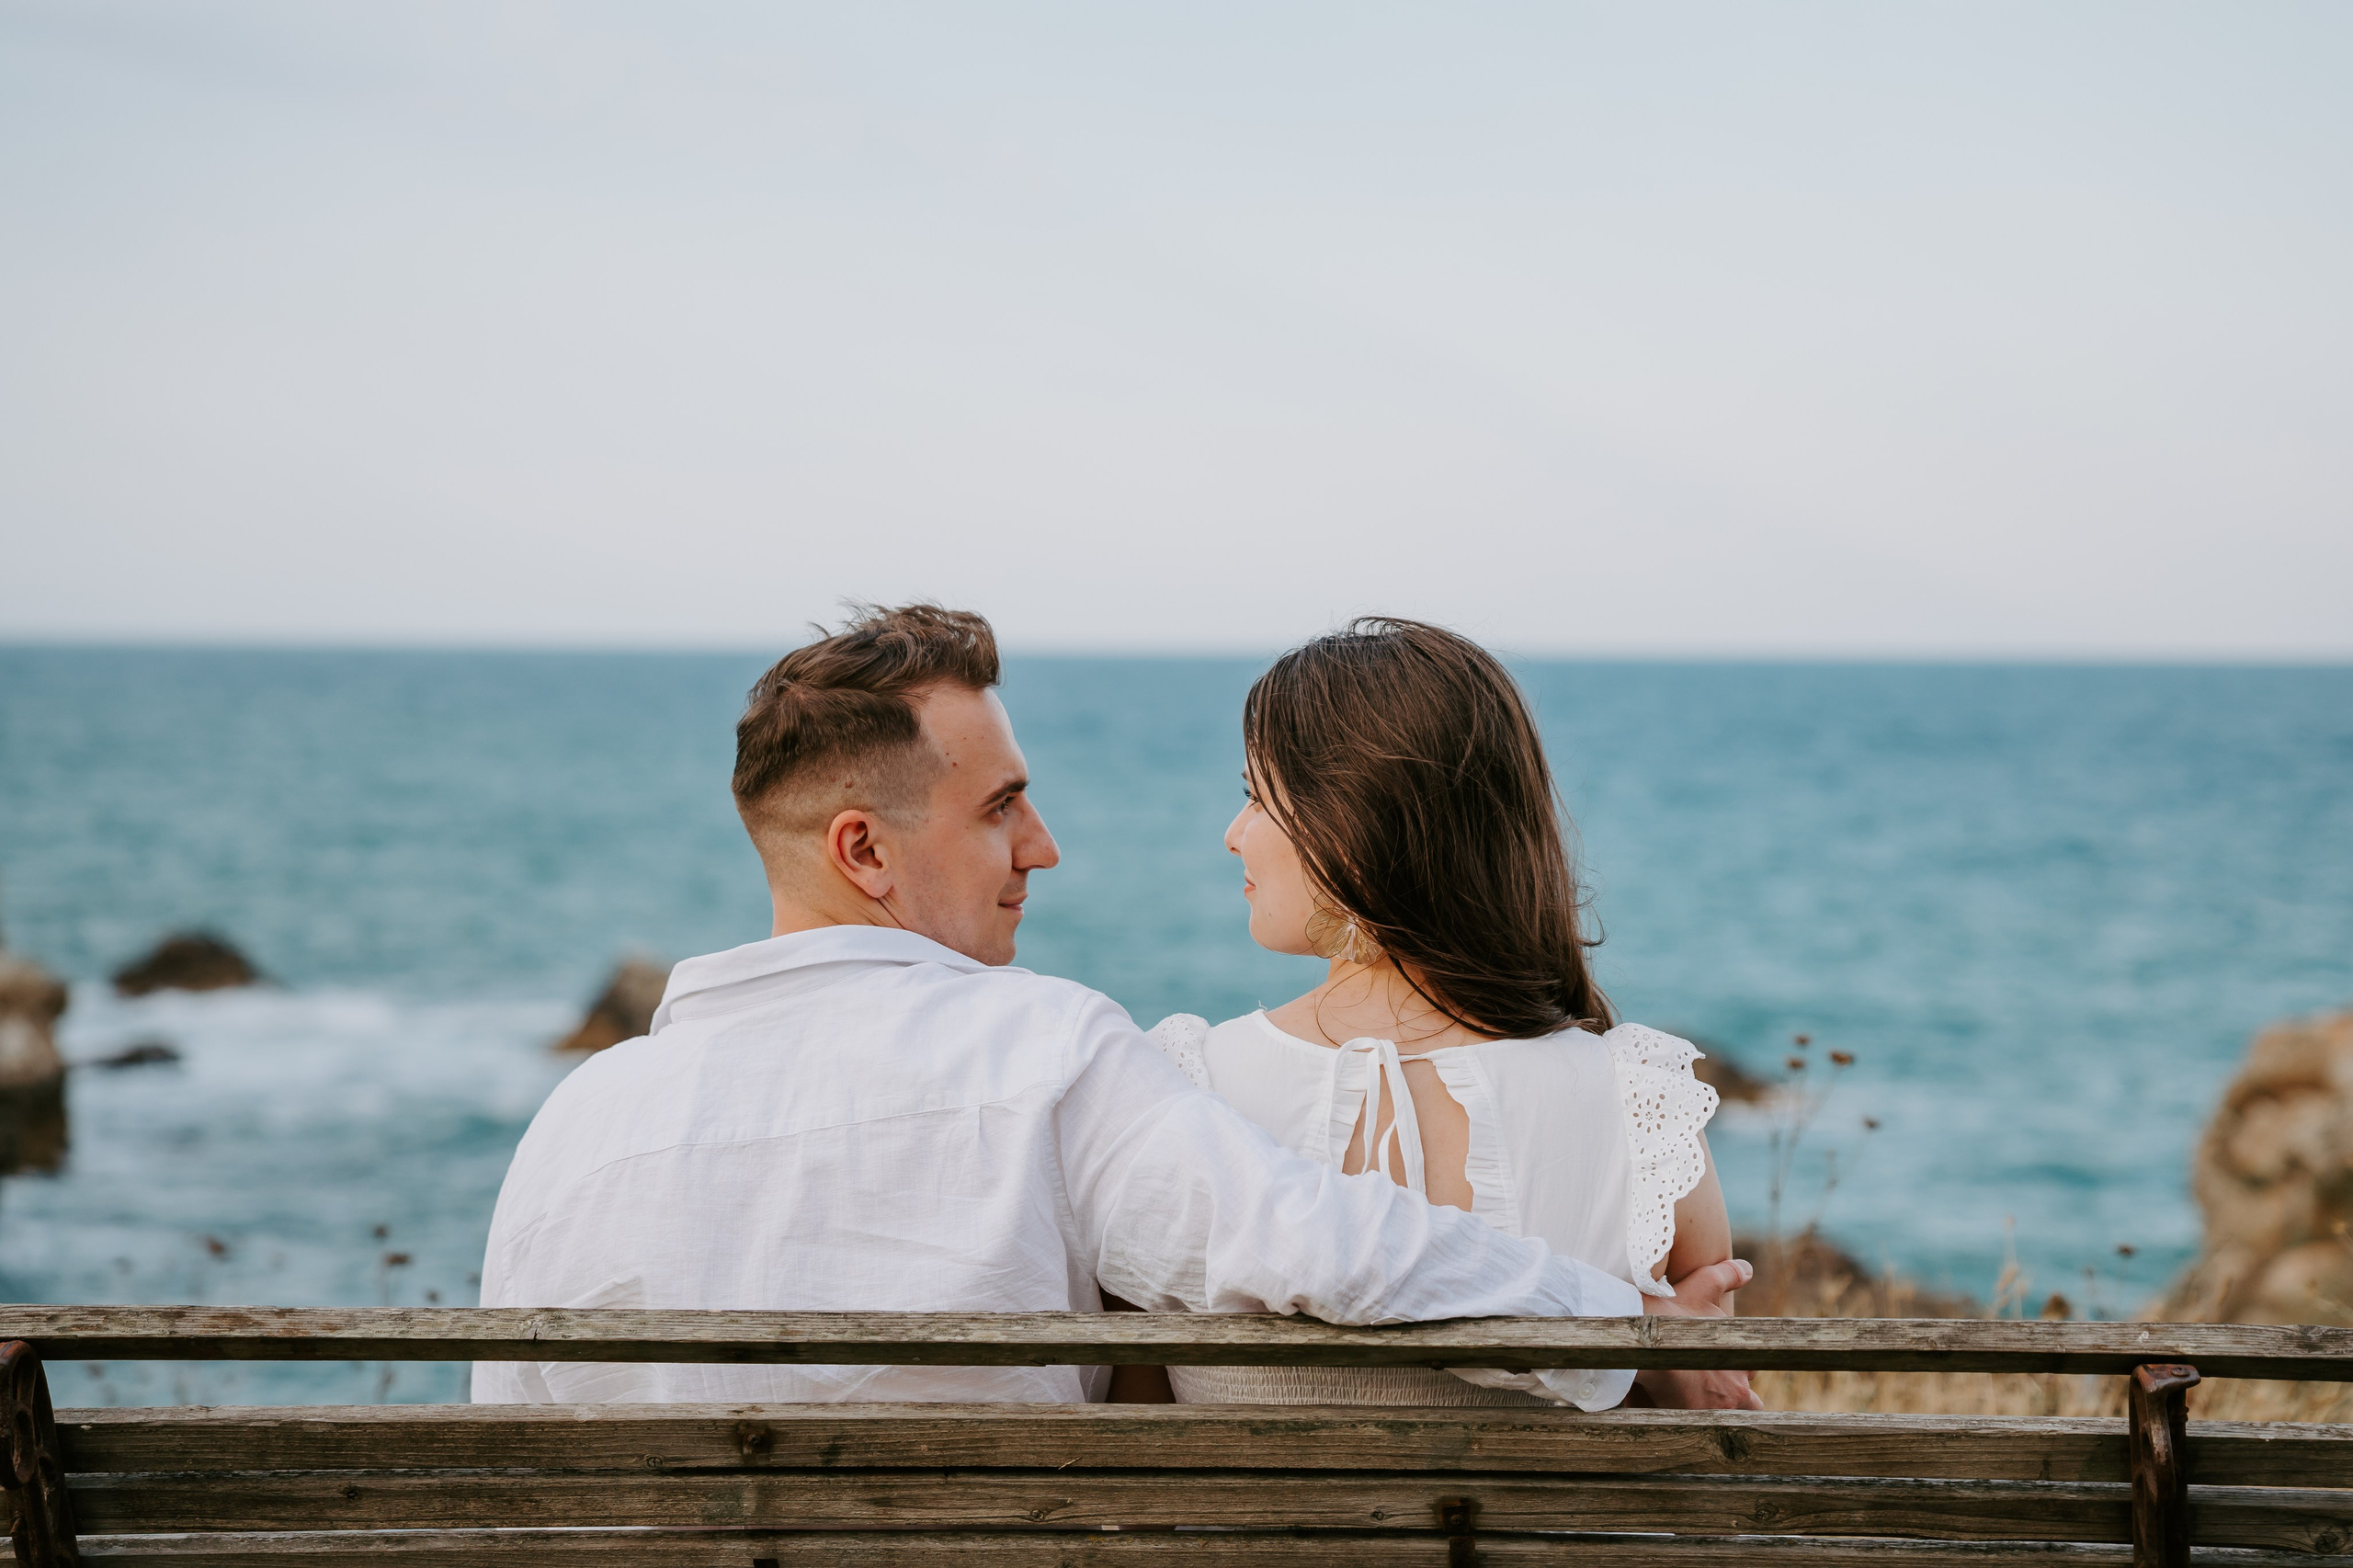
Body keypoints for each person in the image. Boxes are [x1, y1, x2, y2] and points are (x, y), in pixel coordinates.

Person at [472, 603, 1749, 1410]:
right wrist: (1619, 1323)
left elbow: (510, 1468)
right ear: (865, 850)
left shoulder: (575, 1123)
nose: (1045, 847)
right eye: (998, 808)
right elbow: (1314, 1245)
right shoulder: (1043, 1054)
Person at [1140, 618, 1760, 1410]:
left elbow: (1133, 1408)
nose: (1233, 836)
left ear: (1349, 829)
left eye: (1257, 797)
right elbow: (1703, 1431)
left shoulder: (1185, 1091)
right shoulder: (1643, 1107)